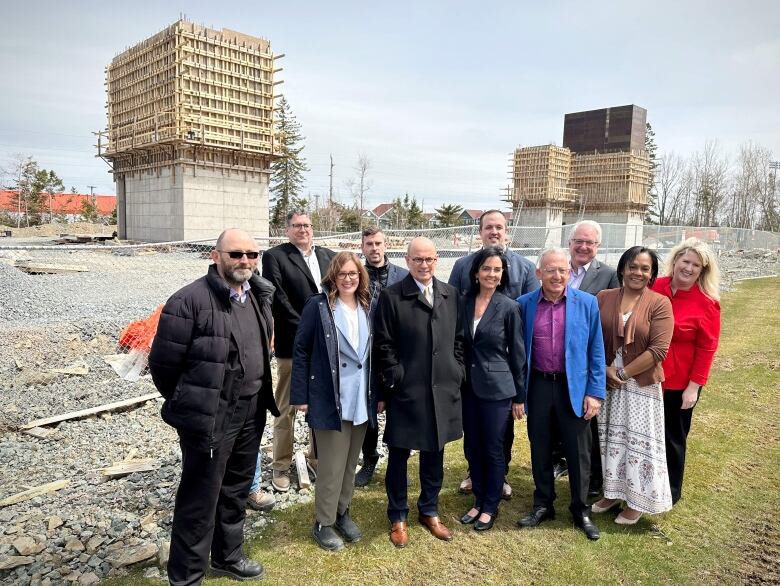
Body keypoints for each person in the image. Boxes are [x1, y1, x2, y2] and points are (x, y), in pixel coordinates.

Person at [149, 229, 279, 584]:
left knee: (236, 489)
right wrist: (192, 405)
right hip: (210, 418)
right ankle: (187, 576)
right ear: (215, 255)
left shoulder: (257, 296)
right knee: (200, 499)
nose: (245, 261)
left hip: (252, 412)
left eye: (252, 254)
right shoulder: (188, 301)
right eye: (236, 253)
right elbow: (163, 366)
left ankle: (227, 557)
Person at [373, 236, 465, 547]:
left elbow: (459, 340)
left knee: (434, 454)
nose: (424, 265)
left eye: (429, 259)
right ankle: (397, 514)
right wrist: (396, 377)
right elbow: (383, 344)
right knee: (399, 455)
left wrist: (456, 370)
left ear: (437, 260)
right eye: (417, 260)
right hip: (406, 390)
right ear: (408, 261)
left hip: (441, 389)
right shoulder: (392, 296)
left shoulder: (451, 294)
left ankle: (429, 509)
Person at [448, 209, 539, 499]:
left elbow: (527, 322)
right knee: (473, 428)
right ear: (481, 232)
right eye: (489, 227)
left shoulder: (524, 268)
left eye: (499, 227)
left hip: (502, 362)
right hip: (471, 366)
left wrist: (519, 384)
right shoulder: (463, 266)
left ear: (507, 231)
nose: (494, 232)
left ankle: (501, 475)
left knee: (500, 430)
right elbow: (452, 309)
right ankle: (473, 473)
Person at [516, 247, 605, 541]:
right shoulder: (524, 304)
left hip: (574, 387)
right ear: (539, 273)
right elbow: (518, 354)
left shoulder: (587, 303)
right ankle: (543, 504)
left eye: (563, 270)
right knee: (539, 446)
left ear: (570, 273)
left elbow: (595, 350)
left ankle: (581, 509)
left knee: (578, 451)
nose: (557, 276)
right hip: (539, 385)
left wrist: (594, 392)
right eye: (551, 270)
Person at [290, 252, 376, 551]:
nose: (349, 279)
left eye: (354, 273)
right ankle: (323, 523)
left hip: (361, 398)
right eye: (343, 274)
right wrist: (300, 395)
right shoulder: (319, 306)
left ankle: (342, 512)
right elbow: (301, 350)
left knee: (351, 462)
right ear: (333, 277)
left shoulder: (368, 306)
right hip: (331, 398)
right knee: (331, 464)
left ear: (360, 276)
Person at [592, 246, 674, 524]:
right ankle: (612, 491)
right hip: (607, 381)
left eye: (645, 268)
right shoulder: (604, 297)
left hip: (640, 384)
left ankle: (638, 500)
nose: (637, 272)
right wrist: (604, 371)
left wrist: (623, 374)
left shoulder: (659, 303)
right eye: (633, 266)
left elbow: (658, 350)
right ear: (622, 268)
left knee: (639, 442)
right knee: (609, 439)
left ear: (652, 274)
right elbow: (590, 338)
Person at [261, 211, 335, 492]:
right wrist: (309, 327)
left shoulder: (328, 256)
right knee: (286, 406)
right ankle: (280, 465)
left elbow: (338, 291)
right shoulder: (276, 257)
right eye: (296, 226)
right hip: (294, 344)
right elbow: (277, 298)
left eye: (306, 225)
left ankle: (317, 458)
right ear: (287, 229)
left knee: (319, 404)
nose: (302, 230)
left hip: (325, 345)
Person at [460, 247, 526, 532]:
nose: (491, 274)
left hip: (498, 390)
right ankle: (477, 500)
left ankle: (490, 505)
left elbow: (518, 356)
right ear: (476, 272)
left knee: (493, 448)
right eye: (487, 268)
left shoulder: (509, 307)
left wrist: (519, 397)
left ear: (502, 275)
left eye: (497, 270)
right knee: (472, 446)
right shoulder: (462, 302)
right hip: (467, 387)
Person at [651, 238, 721, 504]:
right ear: (676, 261)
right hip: (648, 376)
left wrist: (694, 386)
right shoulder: (656, 287)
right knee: (648, 434)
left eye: (696, 265)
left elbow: (707, 349)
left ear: (702, 271)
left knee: (672, 437)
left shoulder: (707, 303)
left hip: (680, 383)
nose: (689, 268)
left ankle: (670, 492)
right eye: (685, 261)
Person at [552, 220, 620, 494]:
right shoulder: (557, 269)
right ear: (569, 244)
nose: (583, 247)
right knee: (556, 417)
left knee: (587, 422)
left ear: (597, 246)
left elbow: (614, 319)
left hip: (587, 360)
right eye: (578, 241)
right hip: (556, 358)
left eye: (589, 242)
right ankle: (558, 460)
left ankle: (591, 477)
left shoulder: (609, 275)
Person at [354, 226, 408, 487]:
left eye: (378, 243)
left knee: (400, 409)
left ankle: (399, 462)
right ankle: (370, 458)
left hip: (397, 354)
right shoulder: (355, 276)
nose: (374, 248)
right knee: (370, 411)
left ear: (386, 245)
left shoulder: (402, 276)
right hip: (367, 356)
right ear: (362, 247)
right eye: (369, 244)